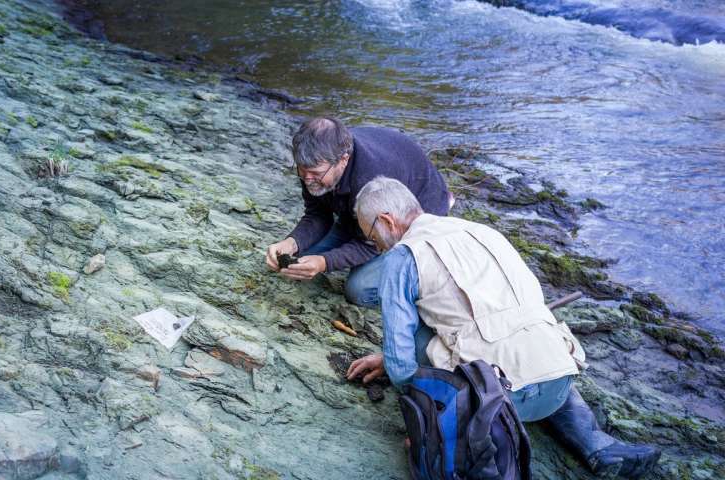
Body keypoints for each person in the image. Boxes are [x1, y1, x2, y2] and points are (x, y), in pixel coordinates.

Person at [345, 176, 661, 479]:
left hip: (495, 402)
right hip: (559, 380)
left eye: (372, 238)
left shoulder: (403, 257)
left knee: (419, 325)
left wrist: (421, 420)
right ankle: (596, 444)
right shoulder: (483, 231)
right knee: (530, 339)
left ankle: (449, 427)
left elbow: (401, 366)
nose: (376, 248)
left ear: (387, 221)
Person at [265, 117, 450, 307]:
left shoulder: (371, 179)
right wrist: (291, 242)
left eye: (315, 174)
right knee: (297, 261)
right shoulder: (314, 163)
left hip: (407, 225)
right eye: (302, 172)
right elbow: (317, 214)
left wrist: (324, 262)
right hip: (358, 215)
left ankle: (420, 280)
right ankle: (353, 227)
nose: (308, 179)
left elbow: (372, 244)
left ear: (343, 160)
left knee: (359, 289)